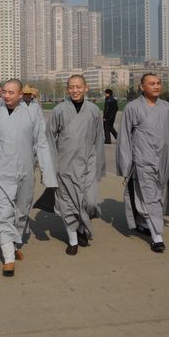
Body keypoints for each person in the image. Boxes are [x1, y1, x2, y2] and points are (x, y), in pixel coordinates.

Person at [0, 79, 57, 276]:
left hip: (25, 171)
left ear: (21, 95)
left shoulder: (32, 115)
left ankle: (12, 242)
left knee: (21, 212)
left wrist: (47, 172)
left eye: (11, 92)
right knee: (2, 212)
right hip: (0, 172)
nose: (6, 95)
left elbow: (41, 143)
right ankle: (8, 258)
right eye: (4, 91)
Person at [116, 73, 169, 253]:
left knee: (156, 196)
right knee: (150, 197)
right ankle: (157, 237)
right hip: (142, 161)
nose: (156, 86)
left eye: (158, 83)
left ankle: (142, 223)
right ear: (142, 87)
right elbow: (124, 139)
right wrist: (125, 165)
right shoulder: (132, 108)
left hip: (163, 161)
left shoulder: (166, 107)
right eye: (152, 83)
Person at [46, 75, 106, 255]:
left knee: (90, 202)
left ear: (86, 88)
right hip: (65, 165)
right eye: (71, 87)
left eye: (79, 87)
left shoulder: (94, 110)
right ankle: (73, 239)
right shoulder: (59, 110)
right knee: (67, 203)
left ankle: (80, 229)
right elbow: (49, 138)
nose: (75, 90)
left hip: (88, 163)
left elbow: (99, 138)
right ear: (67, 89)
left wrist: (99, 165)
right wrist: (50, 165)